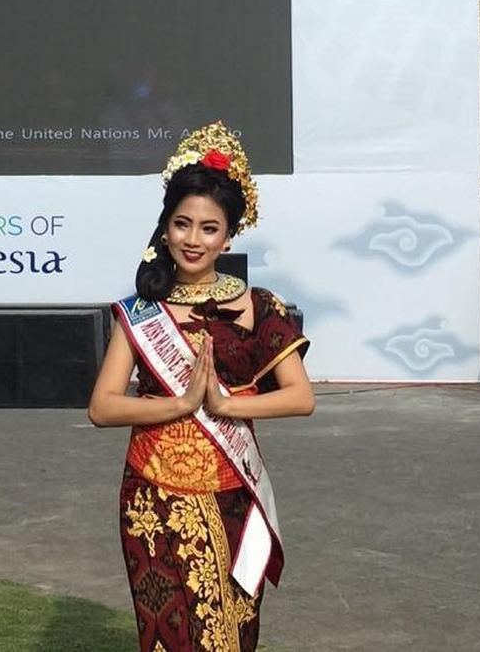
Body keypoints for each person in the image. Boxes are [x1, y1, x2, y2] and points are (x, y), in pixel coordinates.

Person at [88, 121, 315, 651]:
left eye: (209, 228)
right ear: (165, 229)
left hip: (232, 487)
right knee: (171, 637)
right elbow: (102, 407)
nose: (193, 240)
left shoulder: (258, 306)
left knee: (232, 631)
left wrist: (223, 404)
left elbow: (301, 397)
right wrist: (183, 403)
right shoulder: (140, 312)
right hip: (152, 493)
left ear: (228, 236)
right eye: (182, 224)